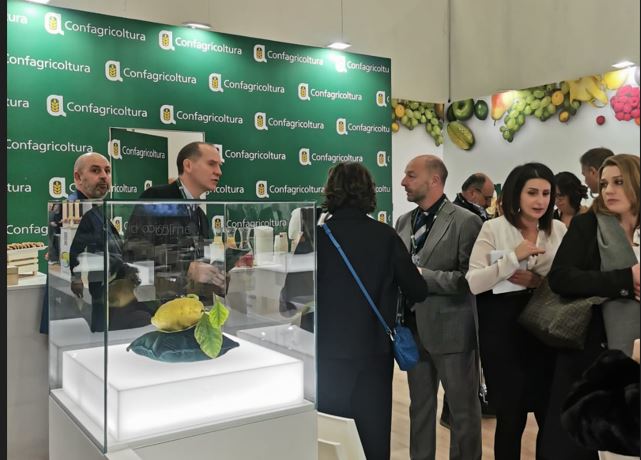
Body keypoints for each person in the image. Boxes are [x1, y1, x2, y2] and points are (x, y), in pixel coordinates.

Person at [316, 162, 428, 460]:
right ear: (368, 192)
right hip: (374, 351)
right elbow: (418, 290)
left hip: (327, 351)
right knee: (373, 433)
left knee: (331, 432)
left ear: (331, 191)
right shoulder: (386, 236)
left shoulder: (317, 237)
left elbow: (290, 296)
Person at [539, 154, 640, 460]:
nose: (608, 190)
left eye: (619, 182)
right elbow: (561, 278)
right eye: (605, 183)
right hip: (593, 349)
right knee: (585, 443)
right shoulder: (588, 225)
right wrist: (625, 280)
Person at [465, 162, 567, 460]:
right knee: (511, 417)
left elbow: (570, 280)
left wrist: (538, 281)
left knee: (550, 416)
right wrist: (512, 258)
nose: (540, 201)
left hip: (548, 330)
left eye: (546, 193)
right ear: (515, 194)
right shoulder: (493, 228)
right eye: (532, 192)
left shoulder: (558, 230)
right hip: (504, 334)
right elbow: (474, 282)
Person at [396, 154, 483, 460]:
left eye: (411, 175)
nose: (403, 182)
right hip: (412, 330)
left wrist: (423, 276)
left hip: (452, 331)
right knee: (419, 408)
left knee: (463, 411)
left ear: (434, 180)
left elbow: (470, 279)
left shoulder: (466, 221)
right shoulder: (403, 222)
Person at [124, 142, 225, 302]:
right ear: (188, 165)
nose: (218, 171)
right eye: (211, 164)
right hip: (157, 305)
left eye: (219, 165)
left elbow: (199, 265)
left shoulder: (200, 216)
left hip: (192, 306)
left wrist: (216, 278)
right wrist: (187, 267)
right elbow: (134, 249)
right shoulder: (157, 198)